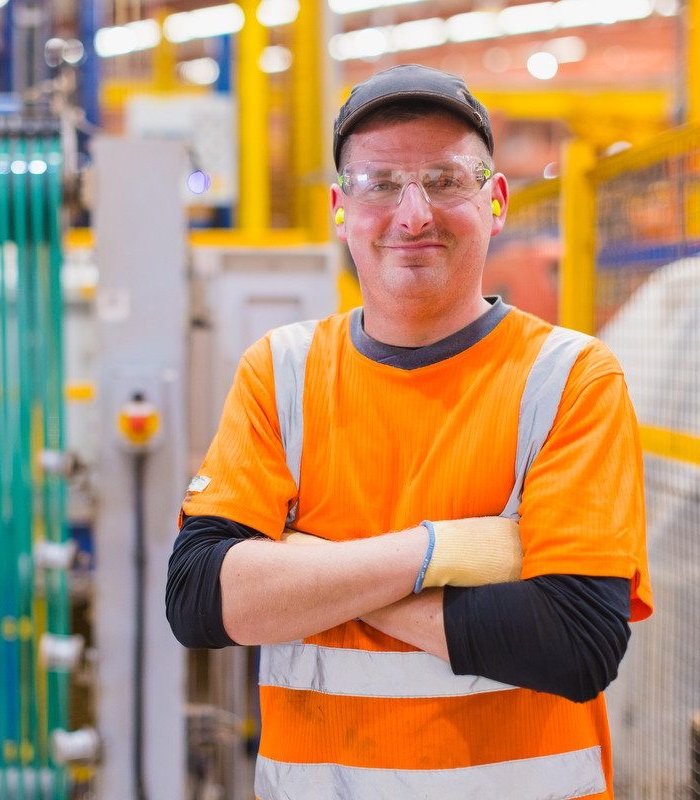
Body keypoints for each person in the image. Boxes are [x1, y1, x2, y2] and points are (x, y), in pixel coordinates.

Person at [166, 64, 653, 800]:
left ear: (495, 201)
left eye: (446, 180)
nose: (414, 213)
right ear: (340, 208)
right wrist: (447, 550)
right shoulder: (283, 371)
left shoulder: (570, 380)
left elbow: (573, 644)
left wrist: (303, 574)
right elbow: (200, 599)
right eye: (380, 184)